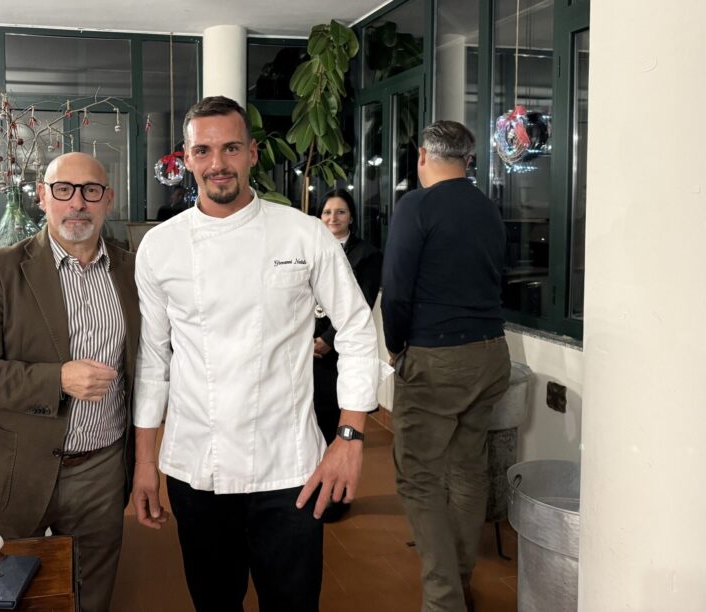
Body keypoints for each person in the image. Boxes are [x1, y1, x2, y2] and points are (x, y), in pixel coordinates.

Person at [131, 96, 383, 611]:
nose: (217, 163)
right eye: (203, 150)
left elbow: (357, 330)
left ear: (251, 153)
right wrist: (144, 464)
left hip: (288, 466)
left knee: (292, 604)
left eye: (230, 148)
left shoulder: (304, 233)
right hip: (196, 466)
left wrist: (350, 436)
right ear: (187, 157)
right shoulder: (160, 247)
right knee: (214, 602)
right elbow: (154, 360)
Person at [0, 152, 140, 612]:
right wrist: (56, 379)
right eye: (64, 190)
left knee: (93, 590)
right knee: (6, 594)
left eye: (91, 191)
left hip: (102, 468)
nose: (77, 203)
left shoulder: (133, 271)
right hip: (14, 468)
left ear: (107, 199)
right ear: (43, 198)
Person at [380, 120, 511, 612]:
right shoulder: (488, 209)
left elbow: (397, 288)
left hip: (439, 357)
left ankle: (443, 600)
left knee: (418, 476)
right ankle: (460, 577)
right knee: (468, 468)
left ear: (421, 157)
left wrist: (396, 347)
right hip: (491, 352)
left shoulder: (416, 206)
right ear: (469, 159)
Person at [311, 188, 383, 523]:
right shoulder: (311, 247)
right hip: (307, 352)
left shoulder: (366, 254)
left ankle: (336, 499)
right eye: (327, 212)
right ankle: (313, 487)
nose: (333, 218)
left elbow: (362, 305)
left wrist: (326, 340)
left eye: (340, 212)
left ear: (351, 217)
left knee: (334, 426)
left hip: (339, 355)